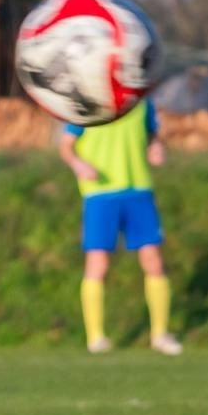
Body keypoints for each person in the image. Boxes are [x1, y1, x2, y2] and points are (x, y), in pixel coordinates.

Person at [58, 97, 181, 355]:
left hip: (138, 189)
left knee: (153, 260)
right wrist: (79, 165)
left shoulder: (142, 103)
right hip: (100, 194)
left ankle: (159, 334)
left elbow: (153, 136)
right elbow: (66, 146)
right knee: (98, 263)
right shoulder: (88, 101)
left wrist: (157, 148)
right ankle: (96, 337)